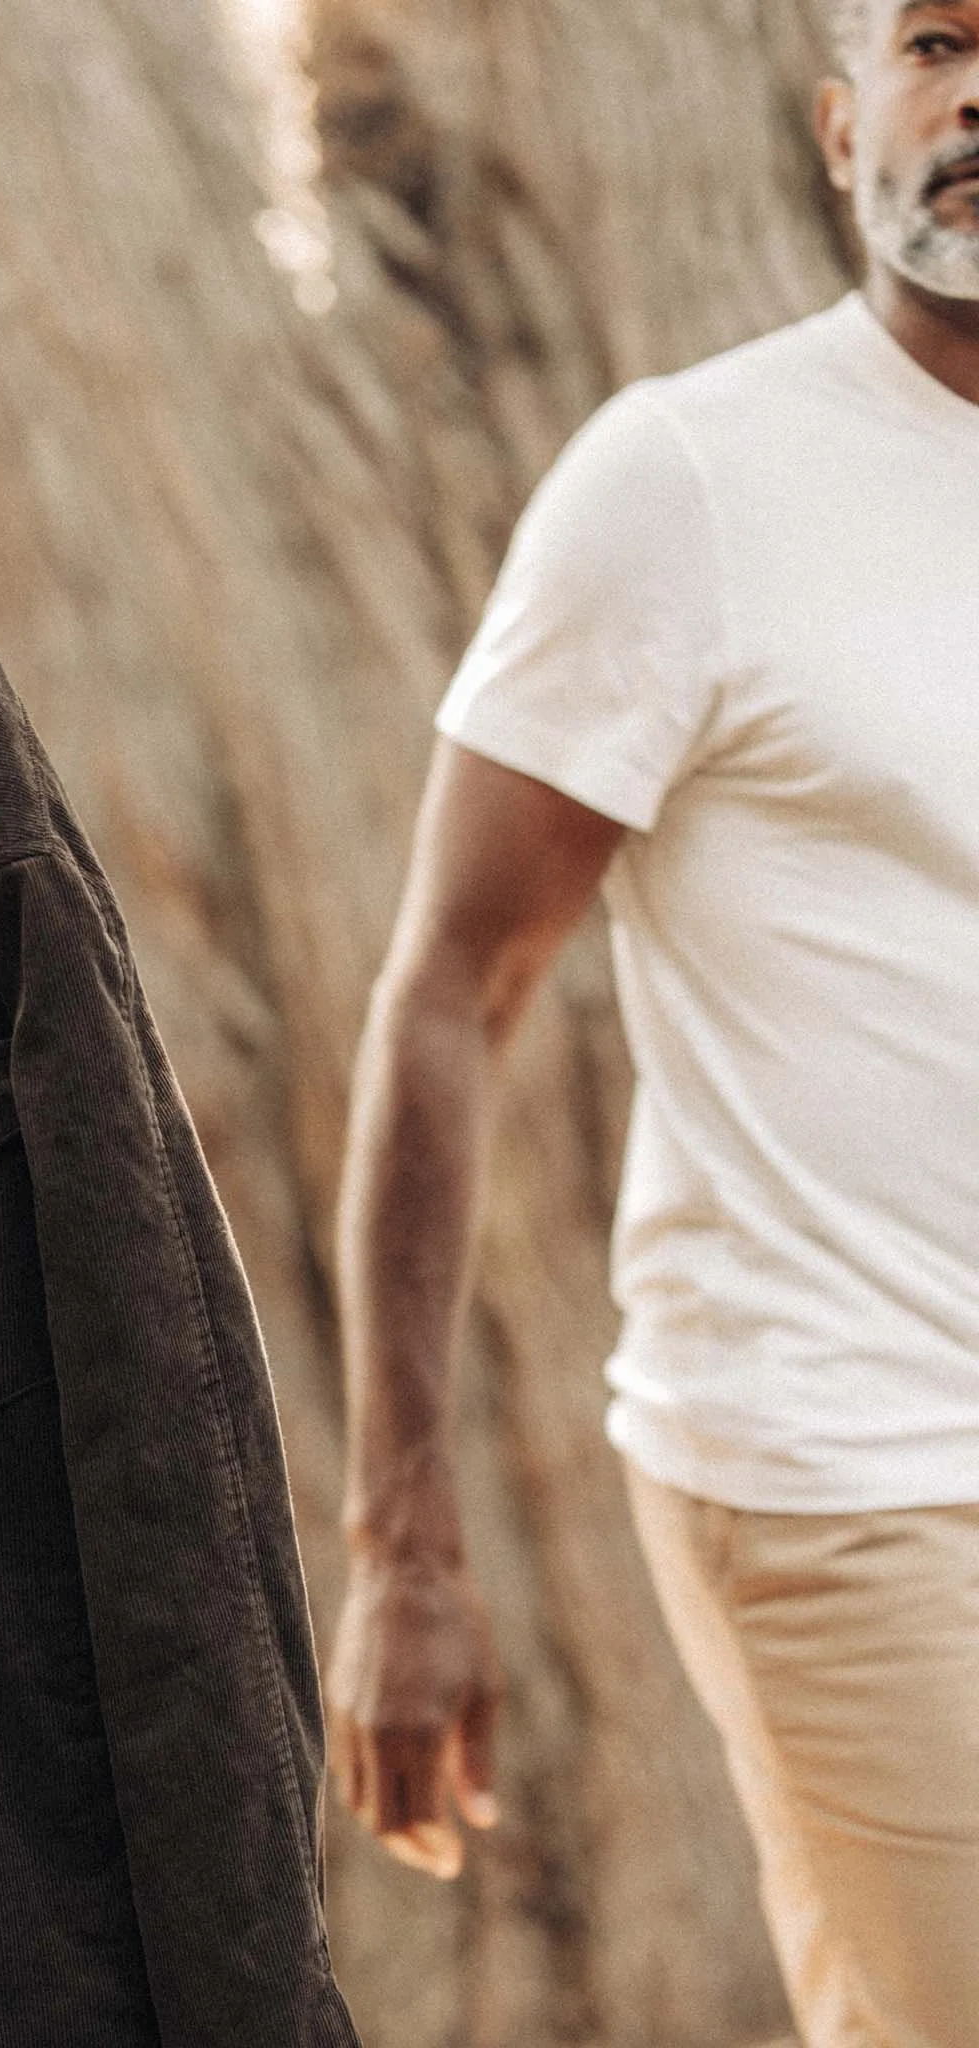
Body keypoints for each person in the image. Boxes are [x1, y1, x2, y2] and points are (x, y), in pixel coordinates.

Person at [326, 0, 979, 2041]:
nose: (975, 94)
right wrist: (399, 1543)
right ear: (837, 123)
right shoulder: (692, 479)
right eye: (934, 44)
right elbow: (451, 981)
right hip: (838, 1455)